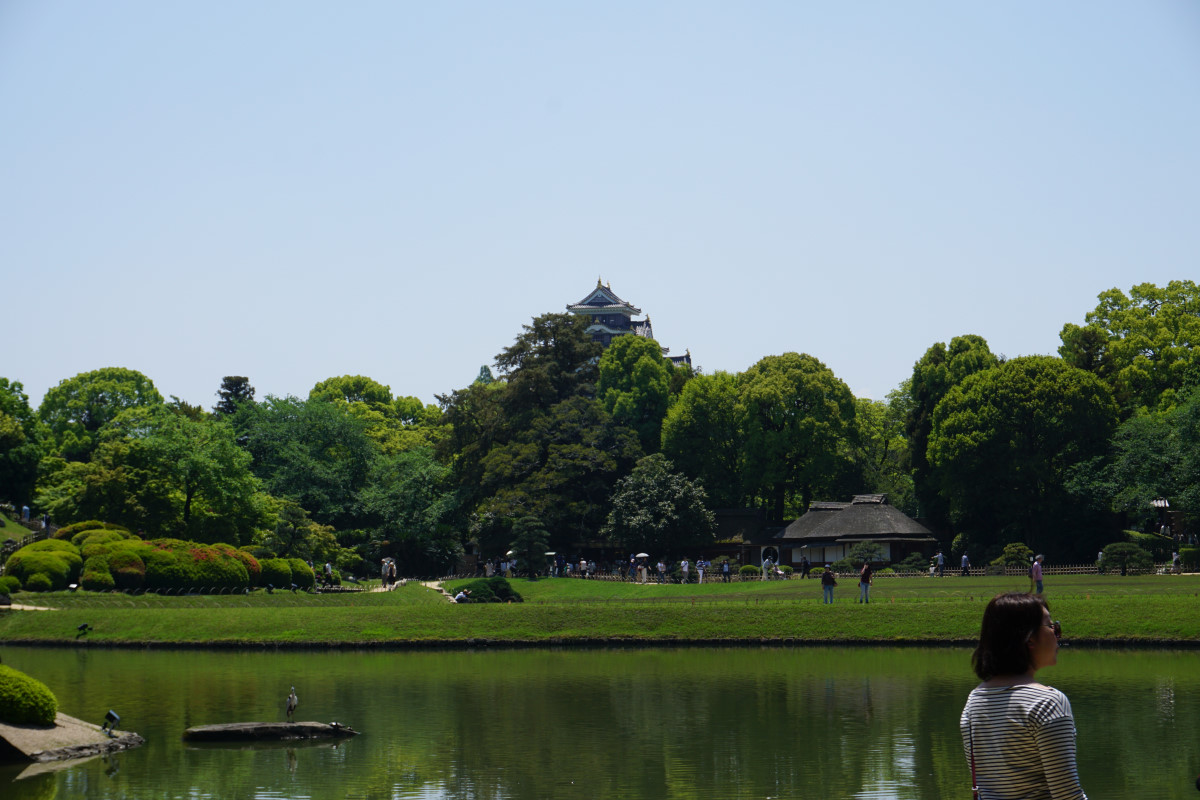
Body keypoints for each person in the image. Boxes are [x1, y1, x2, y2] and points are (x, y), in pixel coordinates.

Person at [960, 593, 1084, 799]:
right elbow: (1067, 795)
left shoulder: (974, 701)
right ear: (1029, 638)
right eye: (1051, 626)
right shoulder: (1048, 703)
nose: (1057, 634)